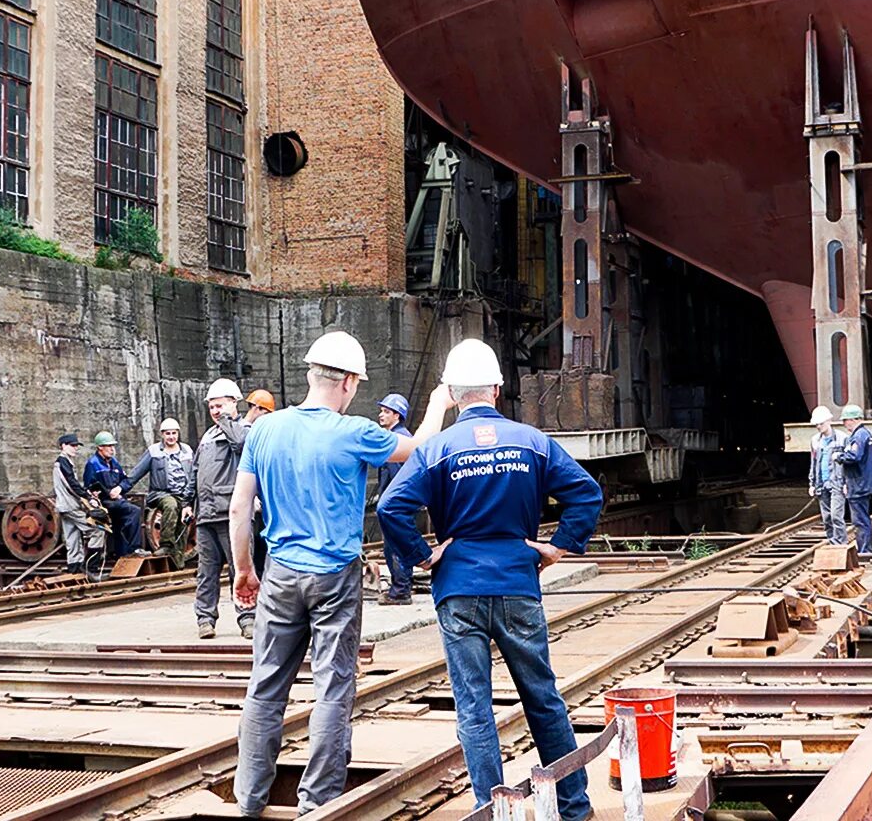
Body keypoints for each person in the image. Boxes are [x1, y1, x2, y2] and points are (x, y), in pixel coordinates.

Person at [377, 339, 603, 821]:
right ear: (497, 389)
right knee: (542, 698)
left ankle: (491, 809)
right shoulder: (532, 442)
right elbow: (586, 494)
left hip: (459, 589)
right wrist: (558, 545)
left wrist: (423, 556)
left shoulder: (436, 449)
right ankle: (574, 806)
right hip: (518, 581)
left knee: (475, 707)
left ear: (453, 395)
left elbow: (391, 507)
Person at [229, 331, 450, 817]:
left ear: (312, 374)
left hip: (280, 573)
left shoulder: (264, 429)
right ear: (349, 381)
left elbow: (241, 506)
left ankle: (248, 800)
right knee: (332, 688)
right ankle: (318, 802)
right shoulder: (355, 432)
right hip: (335, 576)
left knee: (265, 686)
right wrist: (438, 402)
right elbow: (420, 447)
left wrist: (244, 569)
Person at [194, 378, 254, 638]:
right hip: (206, 514)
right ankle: (205, 620)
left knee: (240, 568)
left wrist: (227, 420)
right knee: (206, 573)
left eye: (220, 406)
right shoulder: (208, 436)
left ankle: (248, 618)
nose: (215, 411)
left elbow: (240, 444)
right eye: (212, 407)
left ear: (233, 403)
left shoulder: (244, 429)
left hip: (232, 513)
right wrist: (188, 504)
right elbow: (196, 470)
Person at [128, 418, 195, 569]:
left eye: (174, 433)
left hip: (183, 494)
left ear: (178, 434)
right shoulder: (154, 451)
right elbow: (137, 472)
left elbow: (194, 472)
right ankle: (165, 545)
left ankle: (178, 562)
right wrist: (121, 488)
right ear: (162, 435)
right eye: (168, 433)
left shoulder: (187, 451)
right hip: (161, 493)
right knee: (171, 505)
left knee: (182, 524)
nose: (171, 437)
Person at [371, 393, 418, 604]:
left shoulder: (398, 441)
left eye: (386, 412)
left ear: (397, 415)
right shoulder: (400, 437)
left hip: (396, 505)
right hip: (398, 504)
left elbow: (400, 478)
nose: (381, 415)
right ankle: (402, 586)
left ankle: (400, 591)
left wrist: (393, 505)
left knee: (395, 546)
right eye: (381, 411)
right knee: (397, 544)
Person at [83, 431, 145, 561]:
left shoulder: (114, 463)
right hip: (104, 502)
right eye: (109, 446)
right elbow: (89, 487)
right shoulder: (93, 464)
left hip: (116, 501)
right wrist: (100, 495)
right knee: (134, 511)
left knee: (120, 523)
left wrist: (119, 489)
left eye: (113, 446)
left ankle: (121, 554)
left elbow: (125, 480)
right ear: (100, 447)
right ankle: (134, 548)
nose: (112, 449)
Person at [54, 433, 106, 577]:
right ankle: (91, 569)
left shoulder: (64, 462)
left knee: (72, 539)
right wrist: (88, 497)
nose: (75, 448)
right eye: (72, 445)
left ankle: (75, 571)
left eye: (76, 445)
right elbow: (72, 485)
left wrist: (86, 493)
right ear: (63, 446)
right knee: (97, 531)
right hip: (70, 506)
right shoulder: (63, 463)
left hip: (65, 506)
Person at [835, 404, 872, 553]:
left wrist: (839, 456)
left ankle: (865, 552)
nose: (844, 423)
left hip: (859, 484)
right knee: (862, 519)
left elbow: (854, 456)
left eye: (845, 420)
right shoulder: (864, 434)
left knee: (860, 521)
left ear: (853, 419)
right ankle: (866, 550)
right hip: (860, 482)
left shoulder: (859, 435)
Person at [807, 406, 846, 545]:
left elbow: (847, 463)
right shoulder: (815, 440)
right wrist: (812, 483)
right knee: (827, 518)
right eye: (816, 424)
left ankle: (840, 544)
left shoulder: (842, 438)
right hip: (821, 484)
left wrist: (846, 483)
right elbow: (814, 462)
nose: (818, 426)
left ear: (829, 421)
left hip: (837, 483)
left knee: (836, 516)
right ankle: (832, 542)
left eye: (821, 423)